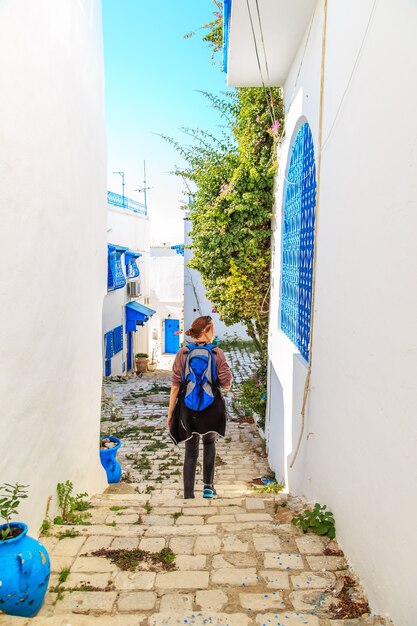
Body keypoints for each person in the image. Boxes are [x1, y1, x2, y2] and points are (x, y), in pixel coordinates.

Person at [167, 315, 232, 499]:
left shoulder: (184, 352)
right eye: (213, 328)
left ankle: (188, 495)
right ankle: (208, 488)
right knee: (209, 443)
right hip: (211, 407)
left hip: (188, 407)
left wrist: (171, 413)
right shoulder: (217, 352)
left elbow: (175, 386)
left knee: (190, 451)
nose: (214, 331)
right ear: (206, 330)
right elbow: (226, 383)